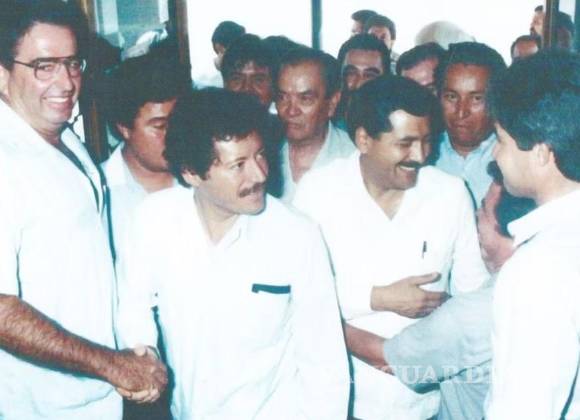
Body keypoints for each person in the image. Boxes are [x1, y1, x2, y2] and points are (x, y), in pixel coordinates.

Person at [115, 88, 350, 420]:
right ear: (191, 173)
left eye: (260, 155)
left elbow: (324, 360)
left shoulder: (297, 235)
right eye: (238, 165)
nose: (260, 174)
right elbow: (133, 305)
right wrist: (144, 352)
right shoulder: (153, 222)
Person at [0, 1, 167, 418]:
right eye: (44, 66)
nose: (67, 81)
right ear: (2, 74)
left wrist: (129, 351)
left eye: (72, 63)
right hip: (41, 405)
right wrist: (110, 364)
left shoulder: (62, 135)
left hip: (95, 393)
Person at [294, 76, 489, 420]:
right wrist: (378, 298)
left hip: (426, 405)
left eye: (426, 141)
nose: (420, 156)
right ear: (364, 140)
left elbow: (472, 298)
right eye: (405, 143)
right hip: (339, 400)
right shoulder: (319, 193)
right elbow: (297, 298)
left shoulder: (449, 194)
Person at [344, 168, 535, 420]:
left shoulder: (475, 312)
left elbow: (393, 360)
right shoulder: (543, 277)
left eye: (484, 210)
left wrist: (330, 322)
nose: (476, 216)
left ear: (513, 231)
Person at [486, 49, 580, 419]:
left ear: (540, 153)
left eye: (501, 139)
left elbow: (525, 409)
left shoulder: (540, 268)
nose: (495, 154)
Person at [103, 51, 190, 257]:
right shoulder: (99, 191)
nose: (173, 134)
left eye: (178, 122)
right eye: (160, 126)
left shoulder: (204, 180)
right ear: (124, 128)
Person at [275, 47, 355, 202]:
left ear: (332, 103)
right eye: (282, 97)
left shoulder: (355, 161)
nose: (291, 111)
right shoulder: (262, 155)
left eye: (305, 99)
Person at [434, 41, 507, 207]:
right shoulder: (424, 154)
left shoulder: (515, 159)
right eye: (452, 97)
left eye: (476, 99)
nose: (461, 112)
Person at [221, 33, 284, 197]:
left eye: (258, 80)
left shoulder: (286, 136)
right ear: (225, 84)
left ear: (274, 87)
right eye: (237, 79)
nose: (247, 89)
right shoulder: (210, 137)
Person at [335, 34, 391, 126]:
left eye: (369, 75)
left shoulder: (395, 129)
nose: (359, 83)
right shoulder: (323, 128)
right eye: (351, 73)